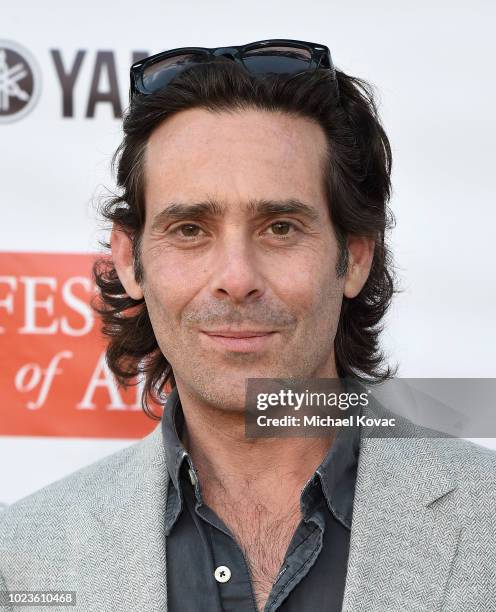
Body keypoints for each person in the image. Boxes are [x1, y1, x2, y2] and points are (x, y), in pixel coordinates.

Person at [1, 39, 495, 612]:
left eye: (280, 227)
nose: (236, 278)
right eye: (189, 229)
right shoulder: (23, 559)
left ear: (355, 257)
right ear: (130, 261)